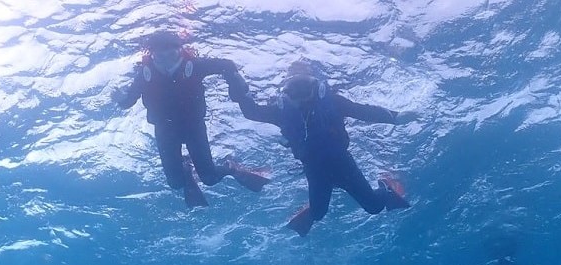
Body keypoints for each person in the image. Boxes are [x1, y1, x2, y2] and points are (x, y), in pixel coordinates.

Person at [236, 63, 419, 235]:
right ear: (285, 92)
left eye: (304, 87)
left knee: (374, 207)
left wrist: (395, 117)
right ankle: (314, 208)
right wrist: (237, 84)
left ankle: (386, 186)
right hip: (314, 169)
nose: (300, 95)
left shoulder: (332, 102)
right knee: (317, 214)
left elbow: (363, 111)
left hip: (342, 164)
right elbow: (251, 112)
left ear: (315, 86)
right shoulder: (279, 111)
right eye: (294, 90)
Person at [112, 31, 269, 206]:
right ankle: (186, 171)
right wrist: (121, 99)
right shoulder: (144, 74)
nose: (167, 62)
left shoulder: (194, 65)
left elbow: (226, 65)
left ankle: (230, 167)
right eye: (160, 56)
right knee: (175, 183)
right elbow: (129, 100)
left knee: (209, 178)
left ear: (180, 51)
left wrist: (237, 85)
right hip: (165, 130)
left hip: (194, 127)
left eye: (171, 54)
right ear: (152, 54)